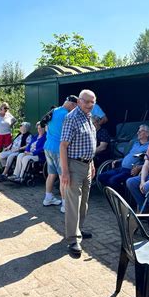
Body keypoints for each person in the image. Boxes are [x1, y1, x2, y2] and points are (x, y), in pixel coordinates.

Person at [60, 89, 97, 257]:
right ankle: (73, 239)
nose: (90, 105)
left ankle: (79, 230)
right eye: (87, 102)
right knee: (73, 203)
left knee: (84, 203)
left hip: (87, 165)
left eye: (92, 102)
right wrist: (65, 171)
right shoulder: (72, 118)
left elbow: (90, 143)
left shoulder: (88, 117)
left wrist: (92, 163)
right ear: (79, 101)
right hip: (74, 166)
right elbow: (63, 146)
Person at [40, 95, 78, 211]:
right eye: (75, 106)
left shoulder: (54, 110)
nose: (75, 109)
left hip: (48, 147)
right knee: (63, 177)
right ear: (72, 104)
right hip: (58, 149)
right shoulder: (67, 115)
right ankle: (65, 205)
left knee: (51, 174)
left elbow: (45, 126)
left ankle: (48, 198)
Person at [97, 125, 149, 197]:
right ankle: (116, 194)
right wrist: (118, 160)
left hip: (130, 170)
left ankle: (123, 198)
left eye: (140, 131)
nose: (137, 133)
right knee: (101, 176)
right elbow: (130, 156)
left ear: (147, 134)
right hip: (121, 167)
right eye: (138, 131)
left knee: (112, 180)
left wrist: (139, 167)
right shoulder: (136, 144)